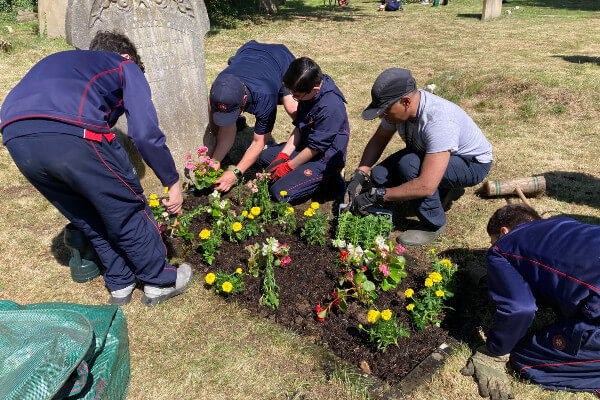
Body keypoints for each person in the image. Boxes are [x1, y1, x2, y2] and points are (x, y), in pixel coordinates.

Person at [0, 31, 192, 306]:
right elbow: (145, 133)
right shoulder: (125, 66)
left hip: (16, 139)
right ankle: (159, 281)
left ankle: (120, 283)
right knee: (126, 207)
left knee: (87, 215)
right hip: (72, 133)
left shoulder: (62, 62)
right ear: (127, 57)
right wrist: (172, 182)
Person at [461, 204, 600, 399]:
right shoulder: (563, 223)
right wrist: (495, 281)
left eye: (491, 241)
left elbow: (520, 308)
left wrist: (494, 353)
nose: (491, 246)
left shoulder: (503, 246)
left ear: (503, 231)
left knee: (526, 357)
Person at [346, 68, 493, 246]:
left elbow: (426, 186)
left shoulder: (439, 121)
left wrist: (380, 195)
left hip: (470, 163)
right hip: (431, 153)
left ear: (406, 101)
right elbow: (380, 139)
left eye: (385, 111)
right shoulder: (398, 107)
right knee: (379, 175)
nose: (382, 117)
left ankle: (434, 224)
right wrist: (360, 174)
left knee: (409, 166)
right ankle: (445, 188)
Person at [205, 40, 298, 192]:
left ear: (244, 100)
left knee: (293, 107)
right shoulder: (220, 87)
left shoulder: (265, 97)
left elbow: (258, 142)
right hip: (249, 51)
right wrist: (215, 160)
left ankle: (308, 145)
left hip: (280, 59)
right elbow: (225, 130)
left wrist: (236, 172)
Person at [256, 57, 349, 202]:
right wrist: (283, 157)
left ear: (315, 89)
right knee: (264, 158)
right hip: (307, 146)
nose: (294, 98)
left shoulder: (331, 107)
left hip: (324, 158)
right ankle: (301, 175)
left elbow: (316, 147)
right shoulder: (309, 92)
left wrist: (287, 168)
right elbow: (300, 127)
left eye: (297, 96)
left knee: (279, 193)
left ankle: (332, 181)